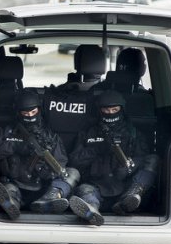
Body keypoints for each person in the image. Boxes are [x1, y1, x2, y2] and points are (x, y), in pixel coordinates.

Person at [68, 90, 159, 226]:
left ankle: (127, 202)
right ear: (99, 110)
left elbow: (144, 158)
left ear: (121, 109)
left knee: (154, 159)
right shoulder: (88, 132)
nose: (110, 113)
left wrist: (130, 166)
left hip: (126, 186)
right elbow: (74, 160)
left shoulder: (133, 134)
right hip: (96, 186)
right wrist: (97, 149)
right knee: (85, 192)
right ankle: (92, 211)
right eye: (106, 109)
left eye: (114, 109)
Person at [0, 91, 80, 219]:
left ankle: (49, 201)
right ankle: (10, 204)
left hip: (43, 188)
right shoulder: (7, 132)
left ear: (39, 110)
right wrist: (16, 146)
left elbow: (61, 161)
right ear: (18, 113)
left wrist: (48, 170)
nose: (30, 116)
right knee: (9, 191)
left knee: (73, 173)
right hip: (16, 184)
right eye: (25, 113)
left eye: (33, 112)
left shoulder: (49, 135)